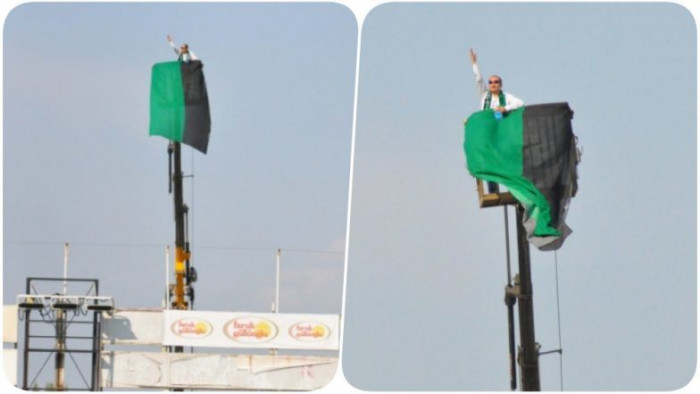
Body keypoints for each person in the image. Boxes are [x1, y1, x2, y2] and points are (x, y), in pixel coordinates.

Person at [469, 48, 524, 193]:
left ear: (501, 84)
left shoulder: (505, 97)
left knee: (504, 158)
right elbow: (478, 80)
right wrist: (475, 65)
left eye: (496, 82)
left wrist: (505, 108)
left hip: (501, 133)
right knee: (488, 159)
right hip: (487, 133)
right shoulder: (484, 96)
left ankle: (514, 186)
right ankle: (492, 188)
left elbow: (520, 103)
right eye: (491, 82)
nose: (493, 84)